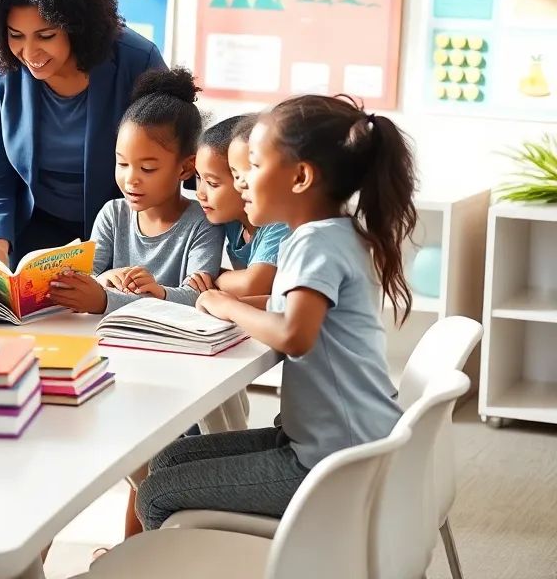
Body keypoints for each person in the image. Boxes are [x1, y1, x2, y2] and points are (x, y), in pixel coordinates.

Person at [131, 94, 413, 537]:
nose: (242, 181)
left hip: (332, 462)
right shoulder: (335, 233)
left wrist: (227, 304)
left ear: (300, 177)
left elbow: (295, 334)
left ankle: (196, 563)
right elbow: (293, 309)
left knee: (156, 493)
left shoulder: (313, 243)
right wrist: (232, 303)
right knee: (171, 458)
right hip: (343, 441)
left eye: (255, 166)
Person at [0, 0, 167, 268]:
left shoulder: (137, 60)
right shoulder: (0, 66)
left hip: (123, 230)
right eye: (16, 36)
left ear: (76, 27)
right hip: (35, 229)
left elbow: (166, 166)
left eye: (45, 36)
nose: (29, 53)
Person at [48, 68, 223, 316]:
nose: (130, 179)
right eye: (122, 163)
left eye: (147, 168)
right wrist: (103, 279)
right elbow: (87, 276)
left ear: (185, 168)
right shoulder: (113, 214)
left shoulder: (203, 223)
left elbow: (198, 297)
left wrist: (156, 293)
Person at [188, 114, 292, 296]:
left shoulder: (280, 223)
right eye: (198, 177)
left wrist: (212, 277)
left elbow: (253, 286)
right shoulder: (232, 221)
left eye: (212, 183)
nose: (200, 193)